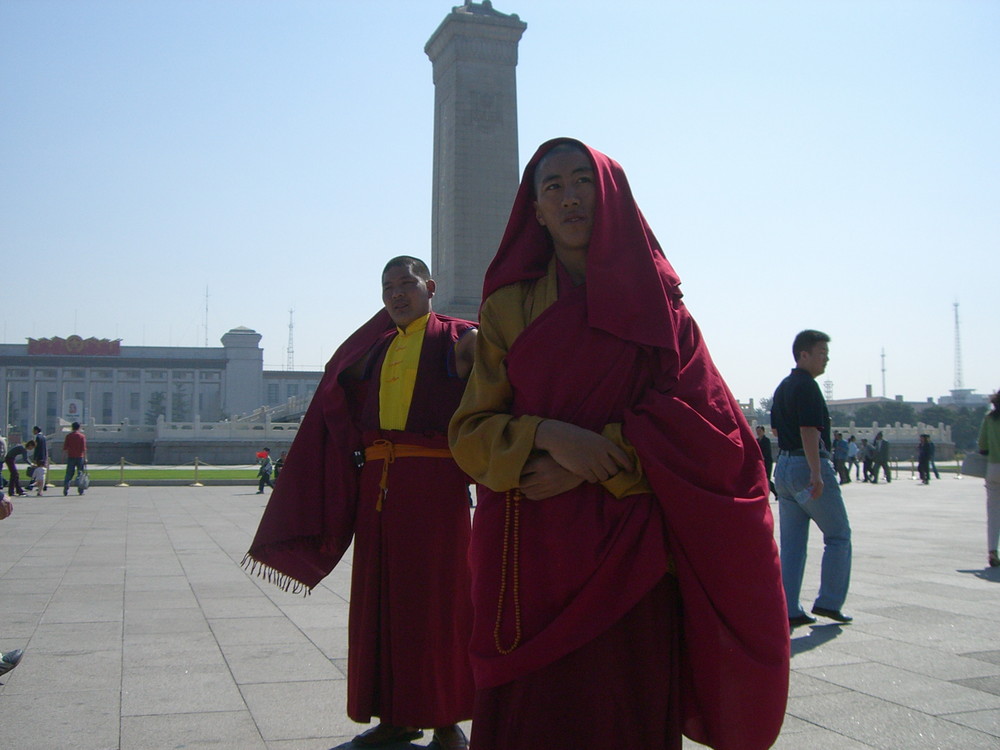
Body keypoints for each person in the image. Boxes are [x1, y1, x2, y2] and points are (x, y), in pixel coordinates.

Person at [448, 139, 788, 750]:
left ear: (613, 200)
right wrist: (546, 436)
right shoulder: (507, 308)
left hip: (629, 550)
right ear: (537, 210)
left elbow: (711, 428)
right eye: (553, 187)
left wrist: (596, 458)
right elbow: (469, 434)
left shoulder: (664, 313)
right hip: (530, 553)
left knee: (623, 708)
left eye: (584, 182)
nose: (571, 196)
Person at [244, 256, 477, 749]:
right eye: (388, 286)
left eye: (407, 284)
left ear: (430, 287)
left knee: (438, 603)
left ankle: (445, 721)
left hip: (435, 488)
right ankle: (395, 716)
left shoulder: (460, 340)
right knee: (380, 603)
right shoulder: (373, 350)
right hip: (379, 489)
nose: (397, 294)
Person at [770, 329, 853, 628]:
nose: (826, 360)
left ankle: (789, 607)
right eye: (821, 354)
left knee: (792, 545)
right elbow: (809, 430)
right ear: (803, 354)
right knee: (838, 535)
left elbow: (778, 432)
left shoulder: (783, 387)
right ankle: (830, 601)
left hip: (785, 467)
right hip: (807, 466)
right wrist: (817, 473)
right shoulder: (807, 387)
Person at [978, 390, 1000, 568]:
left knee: (993, 513)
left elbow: (982, 447)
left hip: (993, 468)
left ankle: (992, 551)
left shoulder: (989, 419)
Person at [62, 421, 88, 496]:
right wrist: (86, 458)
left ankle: (66, 486)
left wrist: (63, 457)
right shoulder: (82, 436)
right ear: (79, 427)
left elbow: (65, 448)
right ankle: (80, 489)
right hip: (80, 457)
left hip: (71, 457)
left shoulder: (69, 436)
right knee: (80, 474)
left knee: (69, 473)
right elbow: (84, 449)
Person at [757, 424, 775, 498]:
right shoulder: (757, 441)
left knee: (767, 478)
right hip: (761, 462)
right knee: (763, 477)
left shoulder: (766, 440)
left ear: (763, 431)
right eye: (757, 431)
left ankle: (775, 491)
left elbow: (767, 452)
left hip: (767, 462)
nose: (758, 433)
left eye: (760, 431)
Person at [30, 426, 48, 496]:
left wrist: (35, 458)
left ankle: (35, 485)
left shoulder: (38, 437)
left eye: (34, 430)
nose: (33, 432)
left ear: (36, 430)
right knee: (42, 473)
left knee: (38, 472)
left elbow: (37, 448)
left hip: (39, 457)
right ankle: (43, 485)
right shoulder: (43, 437)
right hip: (43, 457)